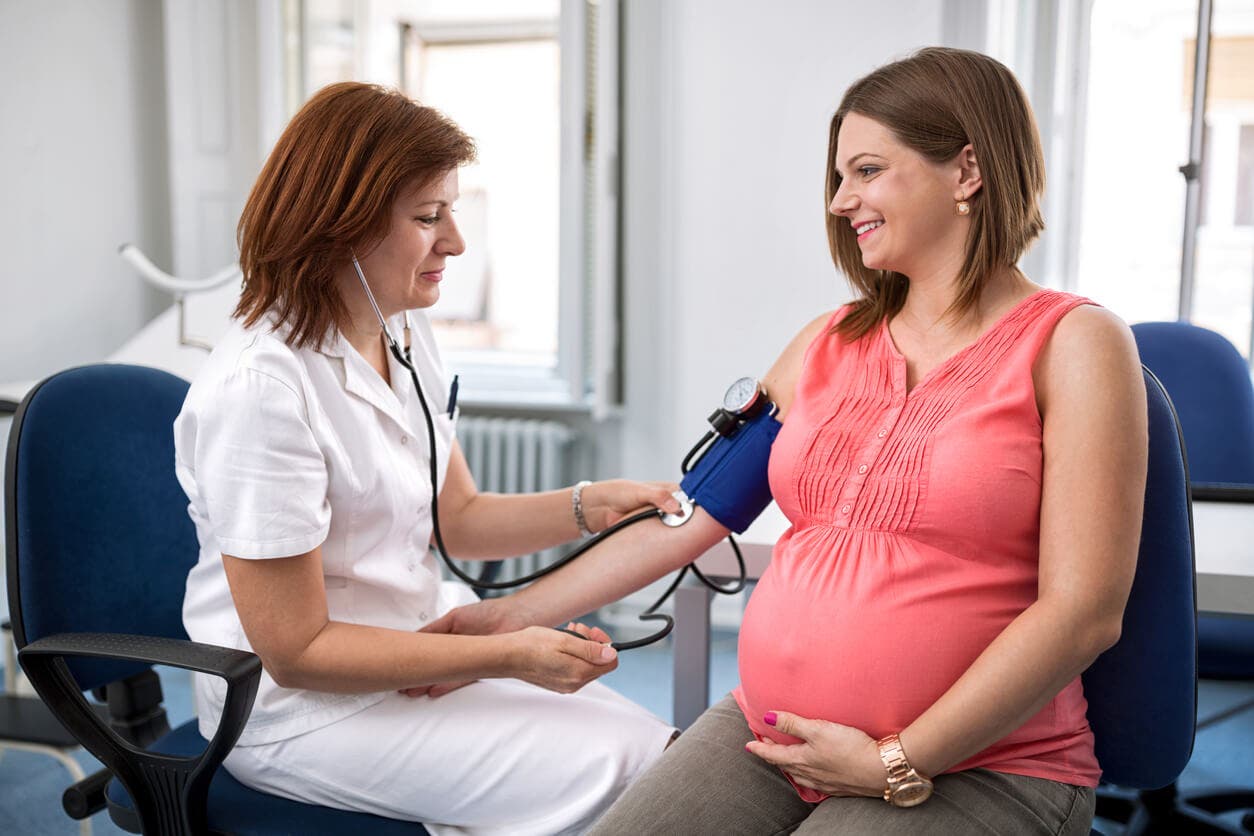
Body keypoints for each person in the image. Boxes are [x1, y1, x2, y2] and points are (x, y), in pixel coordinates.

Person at [424, 47, 1147, 834]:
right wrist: (509, 617)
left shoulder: (1077, 344)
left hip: (982, 762)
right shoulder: (825, 343)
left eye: (867, 171)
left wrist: (895, 761)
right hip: (773, 734)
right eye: (839, 178)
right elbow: (691, 517)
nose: (841, 201)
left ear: (967, 169)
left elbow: (1083, 612)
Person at [173, 81, 683, 836]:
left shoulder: (402, 332)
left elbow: (461, 518)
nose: (456, 242)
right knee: (636, 776)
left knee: (663, 756)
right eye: (427, 217)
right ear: (337, 224)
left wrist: (590, 504)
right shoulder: (261, 390)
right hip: (300, 712)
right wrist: (503, 658)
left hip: (415, 647)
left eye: (451, 210)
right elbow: (296, 652)